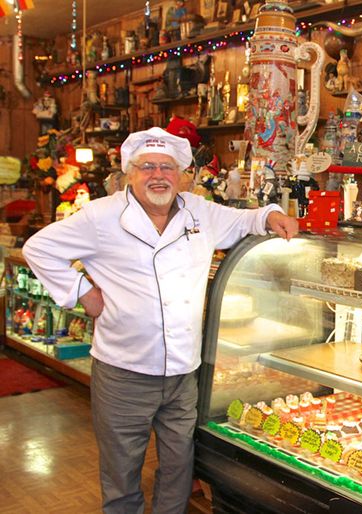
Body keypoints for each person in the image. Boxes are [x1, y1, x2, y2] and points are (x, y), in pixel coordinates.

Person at [22, 127, 298, 514]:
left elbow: (246, 220)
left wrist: (272, 215)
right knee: (121, 475)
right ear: (130, 173)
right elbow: (39, 248)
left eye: (167, 167)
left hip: (183, 372)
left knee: (179, 469)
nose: (158, 175)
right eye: (147, 166)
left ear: (182, 174)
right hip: (124, 372)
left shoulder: (199, 211)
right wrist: (81, 292)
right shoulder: (102, 216)